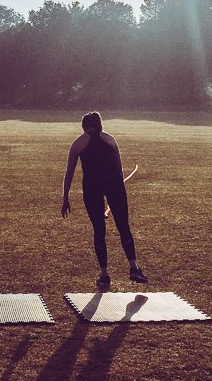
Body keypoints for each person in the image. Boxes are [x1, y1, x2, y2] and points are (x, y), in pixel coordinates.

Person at [61, 112, 148, 288]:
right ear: (100, 124)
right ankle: (133, 268)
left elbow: (69, 172)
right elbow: (119, 169)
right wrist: (116, 195)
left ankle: (105, 274)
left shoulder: (78, 143)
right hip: (114, 186)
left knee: (99, 230)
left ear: (84, 126)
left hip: (92, 188)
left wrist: (65, 197)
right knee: (124, 226)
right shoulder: (110, 140)